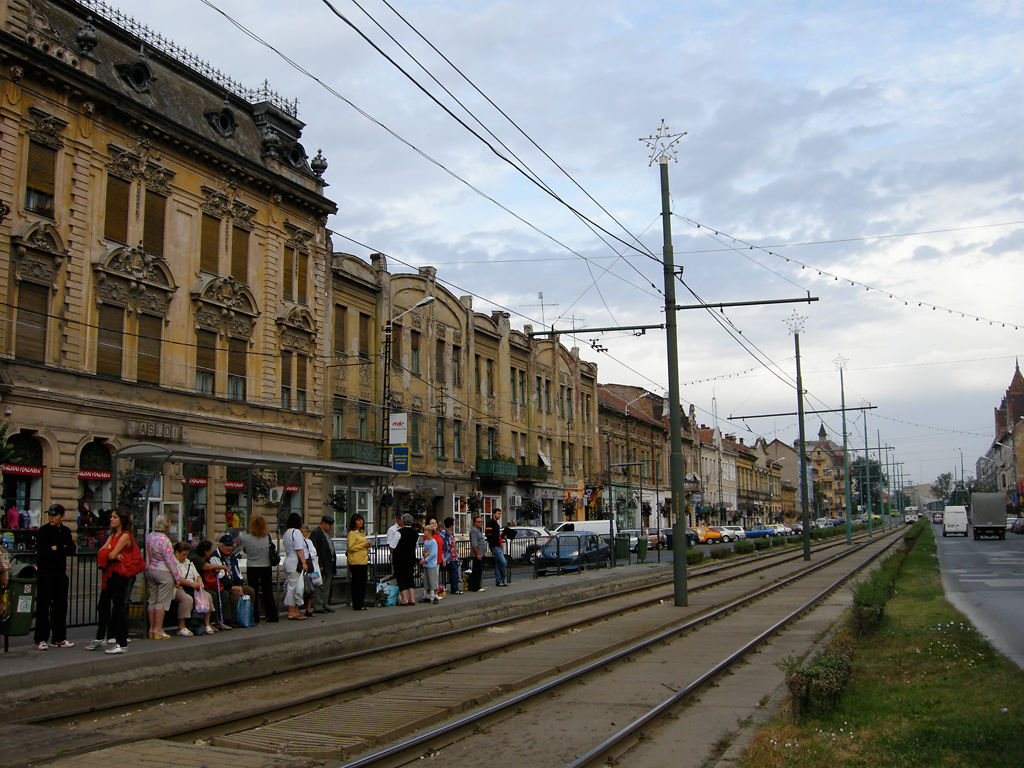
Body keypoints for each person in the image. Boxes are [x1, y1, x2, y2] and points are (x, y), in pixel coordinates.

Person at [34, 504, 77, 650]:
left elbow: (71, 549)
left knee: (60, 607)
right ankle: (41, 638)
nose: (51, 517)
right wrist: (61, 548)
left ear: (62, 517)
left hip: (60, 574)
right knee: (43, 607)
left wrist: (56, 548)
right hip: (45, 574)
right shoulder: (43, 531)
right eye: (50, 515)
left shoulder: (65, 531)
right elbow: (43, 552)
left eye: (54, 515)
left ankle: (59, 638)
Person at [93, 509, 134, 654]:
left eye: (114, 517)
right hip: (109, 575)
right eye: (111, 517)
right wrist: (111, 554)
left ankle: (121, 642)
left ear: (121, 520)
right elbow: (102, 552)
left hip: (119, 575)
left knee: (118, 607)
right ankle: (100, 637)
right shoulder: (112, 535)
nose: (111, 519)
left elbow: (110, 554)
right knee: (102, 605)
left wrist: (112, 554)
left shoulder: (125, 536)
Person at [239, 513, 279, 623]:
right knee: (268, 591)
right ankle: (272, 614)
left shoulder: (246, 538)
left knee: (253, 591)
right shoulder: (268, 537)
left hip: (252, 566)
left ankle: (254, 615)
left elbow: (245, 550)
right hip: (266, 566)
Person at [210, 534, 255, 626]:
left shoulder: (233, 557)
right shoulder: (215, 557)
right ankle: (232, 619)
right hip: (223, 585)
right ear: (221, 545)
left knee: (250, 591)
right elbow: (221, 577)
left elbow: (238, 573)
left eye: (230, 545)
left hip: (235, 583)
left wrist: (241, 585)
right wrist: (233, 587)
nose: (229, 548)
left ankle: (247, 616)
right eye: (227, 545)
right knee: (235, 594)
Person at [144, 515, 177, 640]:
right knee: (162, 601)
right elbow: (170, 561)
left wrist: (148, 569)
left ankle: (151, 629)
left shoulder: (150, 537)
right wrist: (176, 577)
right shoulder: (165, 540)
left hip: (152, 570)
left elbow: (147, 555)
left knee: (152, 600)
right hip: (163, 571)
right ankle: (158, 629)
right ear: (166, 525)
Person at [170, 541, 211, 636]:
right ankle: (181, 625)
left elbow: (197, 575)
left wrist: (199, 582)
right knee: (187, 599)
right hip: (179, 587)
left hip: (193, 586)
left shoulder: (188, 562)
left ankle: (207, 623)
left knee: (207, 596)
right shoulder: (173, 563)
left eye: (186, 555)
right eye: (183, 555)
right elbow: (178, 579)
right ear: (176, 553)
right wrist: (192, 584)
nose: (185, 557)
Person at [192, 540, 231, 631]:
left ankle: (223, 620)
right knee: (212, 595)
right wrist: (222, 567)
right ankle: (212, 621)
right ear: (206, 551)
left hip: (210, 584)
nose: (211, 552)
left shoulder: (208, 558)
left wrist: (215, 570)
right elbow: (206, 567)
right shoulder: (196, 558)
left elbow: (211, 568)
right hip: (202, 585)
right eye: (210, 550)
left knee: (224, 593)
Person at [281, 512, 308, 620]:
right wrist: (304, 562)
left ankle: (295, 610)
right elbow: (299, 549)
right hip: (295, 562)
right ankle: (292, 611)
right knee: (294, 587)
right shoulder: (296, 532)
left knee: (293, 586)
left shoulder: (286, 533)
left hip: (288, 560)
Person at [310, 515, 336, 613]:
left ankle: (325, 604)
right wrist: (319, 564)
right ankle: (318, 606)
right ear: (324, 523)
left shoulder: (326, 534)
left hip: (329, 564)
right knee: (319, 586)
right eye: (329, 525)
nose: (330, 527)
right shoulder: (316, 533)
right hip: (321, 564)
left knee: (326, 586)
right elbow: (315, 550)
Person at [394, 513, 418, 606]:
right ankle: (412, 598)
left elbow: (393, 545)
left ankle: (404, 599)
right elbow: (415, 545)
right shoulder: (415, 533)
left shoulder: (399, 532)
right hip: (411, 557)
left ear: (403, 521)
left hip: (400, 558)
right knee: (410, 577)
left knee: (401, 577)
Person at [346, 513, 369, 610]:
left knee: (363, 583)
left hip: (363, 560)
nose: (360, 522)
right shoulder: (352, 533)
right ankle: (357, 603)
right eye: (358, 520)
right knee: (357, 583)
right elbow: (350, 547)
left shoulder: (361, 533)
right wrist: (363, 545)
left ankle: (361, 602)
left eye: (361, 520)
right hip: (355, 561)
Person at [485, 508, 509, 587]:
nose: (499, 515)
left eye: (500, 513)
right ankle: (502, 579)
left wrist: (502, 536)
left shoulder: (495, 523)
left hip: (498, 545)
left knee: (498, 564)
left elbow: (494, 534)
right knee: (503, 562)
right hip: (495, 546)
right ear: (493, 514)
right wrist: (493, 542)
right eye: (498, 513)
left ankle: (499, 581)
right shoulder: (491, 522)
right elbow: (488, 534)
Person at [440, 517, 461, 594]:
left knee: (455, 571)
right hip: (447, 556)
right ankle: (455, 589)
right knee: (454, 571)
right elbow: (442, 544)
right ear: (451, 525)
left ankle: (455, 587)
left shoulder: (451, 533)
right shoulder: (443, 533)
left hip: (453, 555)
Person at [420, 523, 439, 603]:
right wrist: (422, 558)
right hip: (426, 564)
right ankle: (427, 596)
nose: (424, 533)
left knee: (432, 580)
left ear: (430, 532)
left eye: (425, 531)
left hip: (431, 564)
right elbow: (424, 551)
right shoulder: (426, 542)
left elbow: (434, 553)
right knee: (427, 581)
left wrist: (426, 560)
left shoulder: (433, 542)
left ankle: (435, 596)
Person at [468, 515, 487, 592]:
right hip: (477, 555)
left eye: (481, 522)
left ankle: (476, 586)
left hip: (480, 553)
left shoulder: (478, 530)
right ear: (474, 523)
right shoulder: (474, 531)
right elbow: (474, 543)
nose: (480, 523)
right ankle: (475, 587)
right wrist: (478, 554)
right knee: (476, 571)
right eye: (478, 522)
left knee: (478, 570)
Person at [386, 511, 403, 578]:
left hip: (404, 554)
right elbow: (389, 543)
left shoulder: (405, 528)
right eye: (399, 518)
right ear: (396, 519)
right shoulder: (392, 529)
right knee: (396, 573)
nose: (400, 520)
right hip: (396, 554)